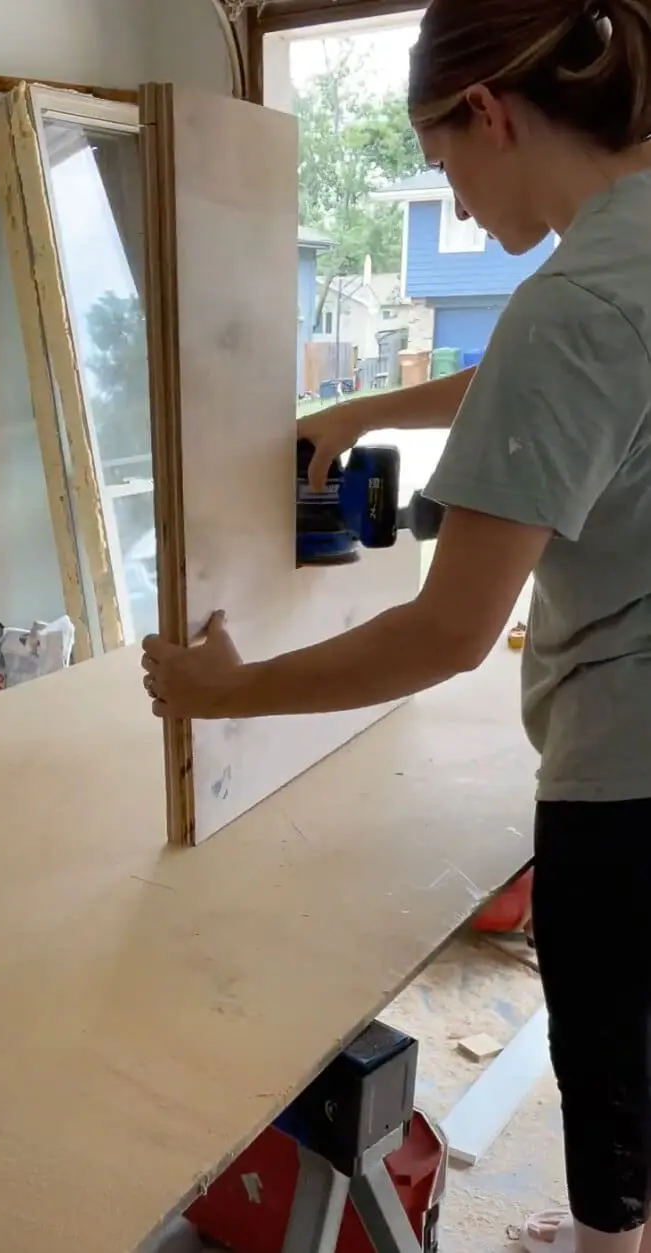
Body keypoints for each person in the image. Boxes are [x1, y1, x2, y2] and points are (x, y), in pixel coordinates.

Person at [141, 4, 651, 1252]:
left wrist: (222, 688)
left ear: (488, 112)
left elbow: (444, 634)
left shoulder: (570, 300)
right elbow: (557, 378)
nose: (461, 207)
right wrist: (367, 409)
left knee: (615, 1090)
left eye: (442, 168)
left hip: (628, 780)